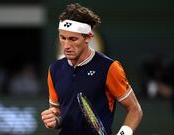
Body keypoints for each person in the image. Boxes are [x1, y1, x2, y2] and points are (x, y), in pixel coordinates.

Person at [41, 3, 143, 135]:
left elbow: (135, 110)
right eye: (63, 38)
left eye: (73, 39)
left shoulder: (109, 68)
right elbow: (57, 112)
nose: (66, 45)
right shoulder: (54, 69)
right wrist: (54, 120)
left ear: (88, 37)